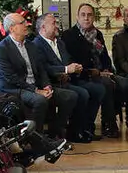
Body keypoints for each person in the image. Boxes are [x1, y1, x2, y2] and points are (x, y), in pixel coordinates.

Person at [0, 12, 76, 141]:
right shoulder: (1, 49)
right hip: (14, 89)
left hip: (35, 86)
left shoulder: (31, 45)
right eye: (22, 23)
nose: (26, 24)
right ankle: (35, 139)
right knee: (39, 100)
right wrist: (37, 91)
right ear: (12, 28)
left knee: (70, 96)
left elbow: (41, 70)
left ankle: (53, 133)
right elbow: (11, 78)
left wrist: (46, 85)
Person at [63, 4, 128, 139]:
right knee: (106, 85)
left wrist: (106, 69)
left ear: (93, 17)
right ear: (77, 17)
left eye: (89, 15)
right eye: (83, 15)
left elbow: (105, 57)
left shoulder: (97, 34)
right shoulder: (69, 35)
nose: (86, 18)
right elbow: (72, 61)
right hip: (83, 75)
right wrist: (93, 72)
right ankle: (109, 124)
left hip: (101, 72)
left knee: (123, 83)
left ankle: (121, 116)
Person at [29, 12, 100, 143]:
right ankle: (60, 131)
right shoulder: (36, 45)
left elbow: (68, 60)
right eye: (53, 23)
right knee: (80, 94)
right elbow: (44, 68)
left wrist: (75, 67)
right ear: (43, 28)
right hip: (51, 83)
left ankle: (81, 128)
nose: (57, 26)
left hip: (66, 80)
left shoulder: (60, 43)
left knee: (96, 90)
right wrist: (66, 69)